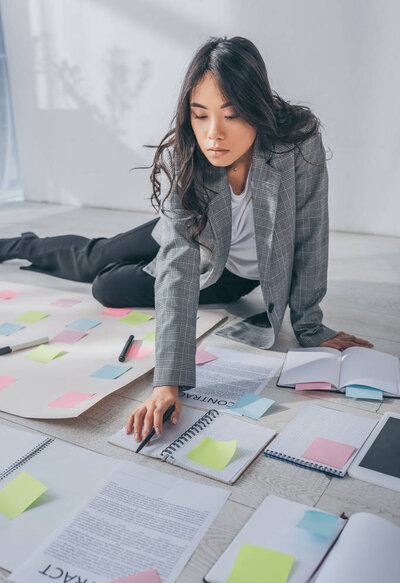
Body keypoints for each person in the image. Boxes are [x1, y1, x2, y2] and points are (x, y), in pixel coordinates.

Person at [0, 36, 372, 442]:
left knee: (106, 286)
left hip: (227, 273)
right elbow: (178, 262)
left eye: (231, 116)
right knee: (95, 256)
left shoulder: (297, 143)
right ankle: (20, 245)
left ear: (257, 109)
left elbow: (311, 234)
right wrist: (168, 381)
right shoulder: (188, 153)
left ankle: (113, 264)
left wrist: (310, 324)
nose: (213, 135)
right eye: (200, 116)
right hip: (188, 238)